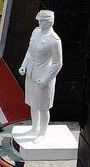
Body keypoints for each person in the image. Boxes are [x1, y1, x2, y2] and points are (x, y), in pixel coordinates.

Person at [17, 9, 63, 138]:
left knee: (43, 107)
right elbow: (30, 51)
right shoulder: (36, 32)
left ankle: (42, 134)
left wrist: (46, 79)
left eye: (41, 21)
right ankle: (34, 128)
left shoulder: (55, 40)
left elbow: (57, 63)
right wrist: (23, 65)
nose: (39, 22)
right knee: (33, 103)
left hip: (43, 77)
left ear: (49, 22)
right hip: (31, 74)